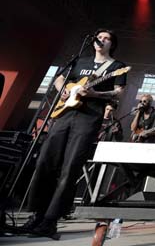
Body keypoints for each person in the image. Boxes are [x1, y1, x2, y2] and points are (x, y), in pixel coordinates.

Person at [23, 29, 127, 237]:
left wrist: (96, 93)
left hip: (88, 118)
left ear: (111, 45)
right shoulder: (80, 61)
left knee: (70, 168)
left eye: (106, 39)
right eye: (100, 37)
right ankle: (36, 214)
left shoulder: (116, 67)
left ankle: (50, 221)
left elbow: (118, 92)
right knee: (46, 162)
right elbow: (60, 79)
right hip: (64, 115)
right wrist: (64, 91)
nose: (101, 40)